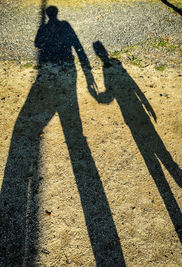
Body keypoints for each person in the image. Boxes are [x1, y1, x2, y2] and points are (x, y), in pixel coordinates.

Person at [0, 8, 125, 266]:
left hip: (50, 73)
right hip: (69, 73)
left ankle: (75, 142)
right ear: (55, 14)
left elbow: (37, 44)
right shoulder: (66, 25)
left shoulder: (47, 27)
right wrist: (88, 73)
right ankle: (77, 145)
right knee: (73, 126)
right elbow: (78, 47)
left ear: (48, 15)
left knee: (46, 121)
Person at [93, 41, 182, 266]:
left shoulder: (111, 67)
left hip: (134, 119)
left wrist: (101, 97)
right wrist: (145, 102)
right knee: (166, 159)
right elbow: (132, 88)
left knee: (162, 162)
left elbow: (113, 95)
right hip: (136, 115)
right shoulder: (115, 66)